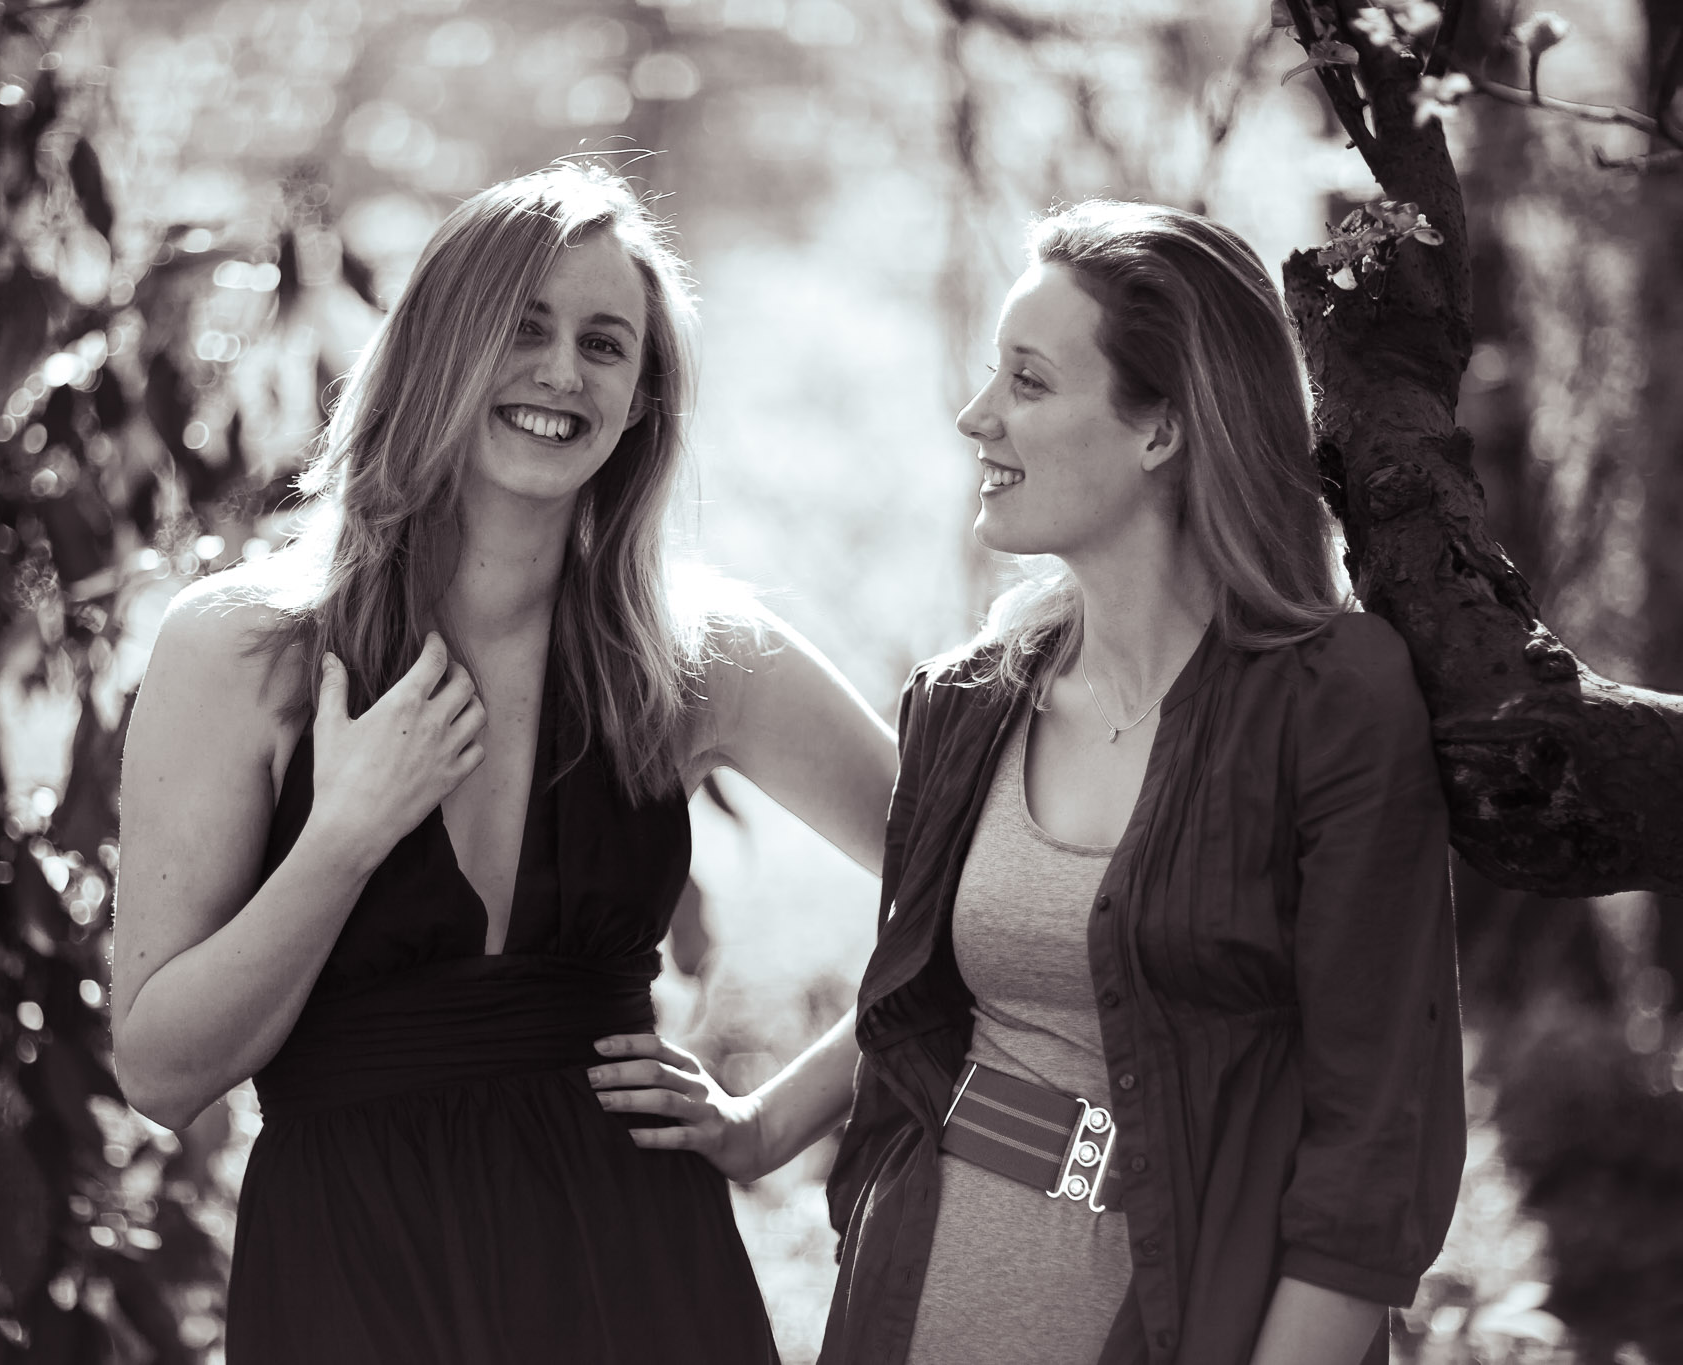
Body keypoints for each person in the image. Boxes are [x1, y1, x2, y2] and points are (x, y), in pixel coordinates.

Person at [594, 200, 1465, 1365]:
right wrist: (759, 1129)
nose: (974, 415)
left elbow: (1374, 1139)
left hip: (1183, 1313)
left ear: (1160, 427)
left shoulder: (1331, 703)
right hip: (909, 1300)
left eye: (1028, 381)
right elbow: (916, 992)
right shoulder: (964, 700)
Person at [108, 164, 898, 1365]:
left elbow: (973, 891)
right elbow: (162, 1071)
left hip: (635, 1271)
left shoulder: (694, 655)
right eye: (521, 327)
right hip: (353, 1275)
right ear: (437, 346)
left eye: (604, 344)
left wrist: (765, 1126)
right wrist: (345, 835)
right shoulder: (244, 647)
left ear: (641, 402)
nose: (561, 372)